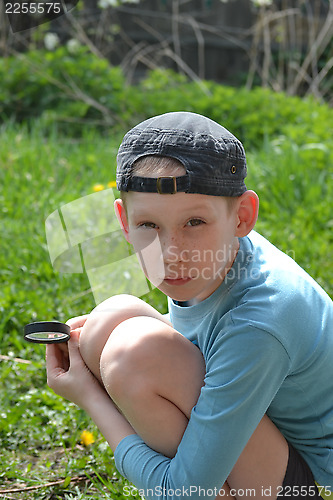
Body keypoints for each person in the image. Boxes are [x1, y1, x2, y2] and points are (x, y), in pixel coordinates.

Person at [46, 112, 333, 500]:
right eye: (149, 225)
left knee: (134, 356)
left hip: (305, 487)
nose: (171, 253)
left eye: (194, 222)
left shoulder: (260, 321)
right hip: (276, 437)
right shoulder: (215, 258)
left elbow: (182, 492)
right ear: (124, 221)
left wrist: (90, 397)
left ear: (242, 217)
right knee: (107, 322)